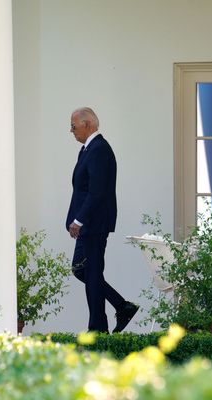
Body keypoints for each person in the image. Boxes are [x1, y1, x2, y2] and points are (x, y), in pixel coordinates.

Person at [66, 107, 138, 333]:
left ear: (87, 124)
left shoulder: (99, 149)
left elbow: (96, 192)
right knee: (83, 271)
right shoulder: (87, 149)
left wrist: (79, 220)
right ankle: (121, 306)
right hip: (89, 224)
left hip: (93, 224)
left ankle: (98, 328)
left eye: (74, 126)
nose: (71, 131)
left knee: (91, 273)